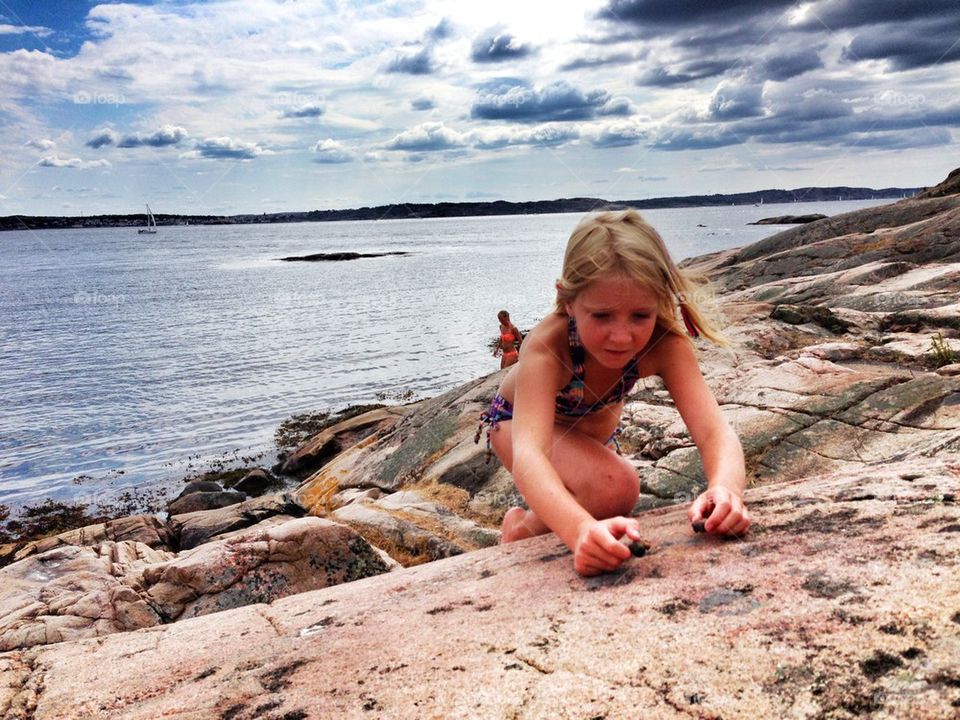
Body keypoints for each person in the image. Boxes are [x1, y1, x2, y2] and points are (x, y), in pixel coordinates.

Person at [475, 209, 751, 576]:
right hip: (515, 425)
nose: (621, 336)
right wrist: (579, 532)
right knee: (615, 489)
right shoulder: (548, 348)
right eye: (602, 316)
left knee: (607, 495)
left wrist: (725, 489)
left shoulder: (665, 344)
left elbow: (715, 432)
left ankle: (537, 521)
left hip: (591, 437)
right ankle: (519, 530)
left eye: (640, 315)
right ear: (568, 300)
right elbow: (530, 455)